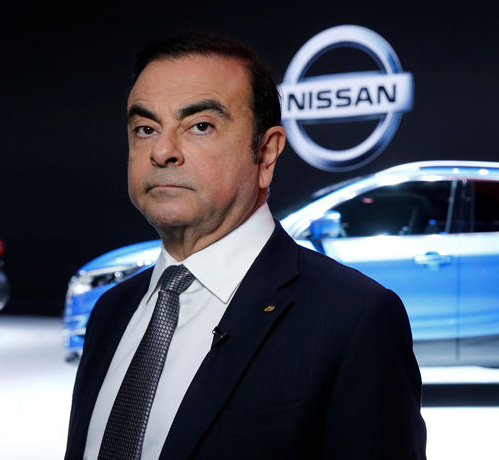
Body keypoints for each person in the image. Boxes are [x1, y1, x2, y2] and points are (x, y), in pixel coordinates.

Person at [64, 33, 427, 460]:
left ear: (266, 153)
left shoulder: (354, 318)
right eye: (145, 129)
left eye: (200, 126)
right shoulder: (112, 310)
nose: (161, 151)